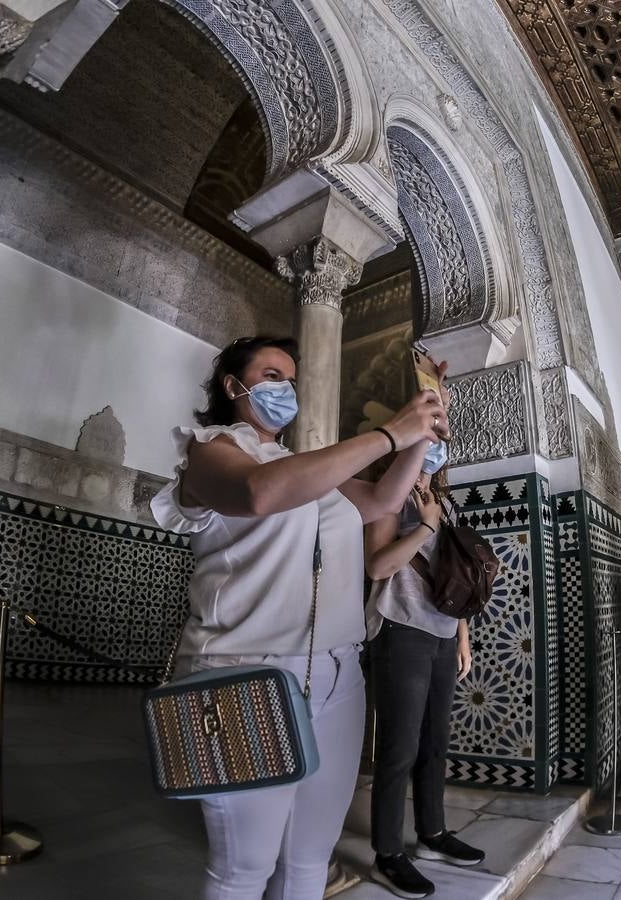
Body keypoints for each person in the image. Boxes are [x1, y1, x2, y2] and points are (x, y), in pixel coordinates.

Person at [149, 336, 447, 900]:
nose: (284, 388)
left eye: (290, 378)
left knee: (309, 857)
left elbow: (383, 501)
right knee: (245, 866)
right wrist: (389, 434)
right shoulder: (209, 452)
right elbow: (260, 494)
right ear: (233, 387)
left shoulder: (305, 469)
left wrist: (423, 430)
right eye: (269, 375)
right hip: (244, 676)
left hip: (337, 673)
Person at [364, 413, 482, 898]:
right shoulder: (390, 496)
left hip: (439, 635)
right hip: (399, 630)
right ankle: (388, 852)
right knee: (400, 747)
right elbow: (377, 565)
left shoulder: (445, 504)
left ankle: (432, 833)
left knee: (435, 742)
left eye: (440, 439)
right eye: (428, 437)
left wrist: (462, 638)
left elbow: (457, 581)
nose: (435, 446)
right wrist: (424, 528)